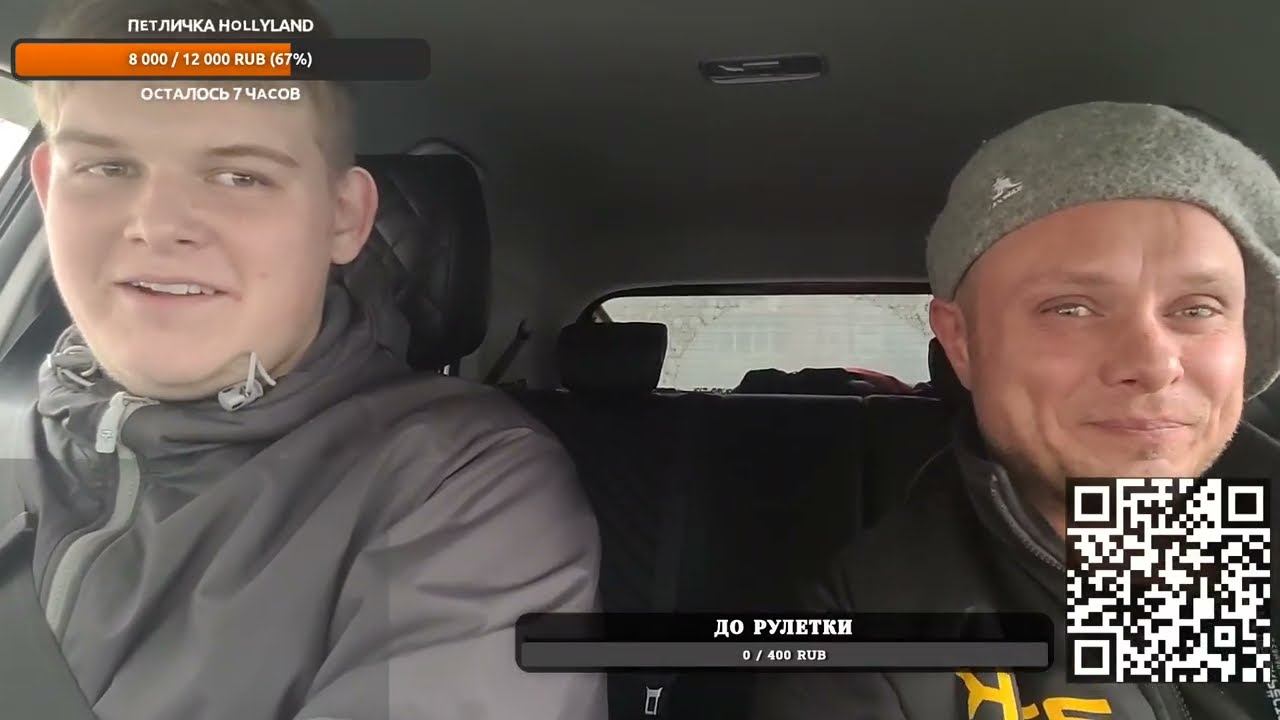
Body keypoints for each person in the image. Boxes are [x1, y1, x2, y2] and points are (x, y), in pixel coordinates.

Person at [4, 0, 607, 718]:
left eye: (240, 176)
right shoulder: (13, 430)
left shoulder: (459, 479)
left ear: (344, 217)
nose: (158, 225)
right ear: (48, 188)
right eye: (107, 166)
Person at [752, 102, 1280, 718]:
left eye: (1197, 309)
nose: (1154, 363)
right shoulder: (872, 628)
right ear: (961, 342)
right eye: (1071, 309)